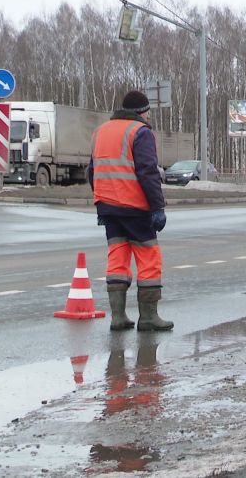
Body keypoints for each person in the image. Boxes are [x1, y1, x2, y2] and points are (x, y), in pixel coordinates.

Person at [87, 90, 173, 331]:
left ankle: (118, 316)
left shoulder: (100, 131)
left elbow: (91, 171)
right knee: (148, 258)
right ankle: (148, 317)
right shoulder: (140, 132)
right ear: (142, 112)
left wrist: (101, 199)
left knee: (117, 257)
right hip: (134, 207)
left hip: (107, 206)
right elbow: (148, 171)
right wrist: (157, 206)